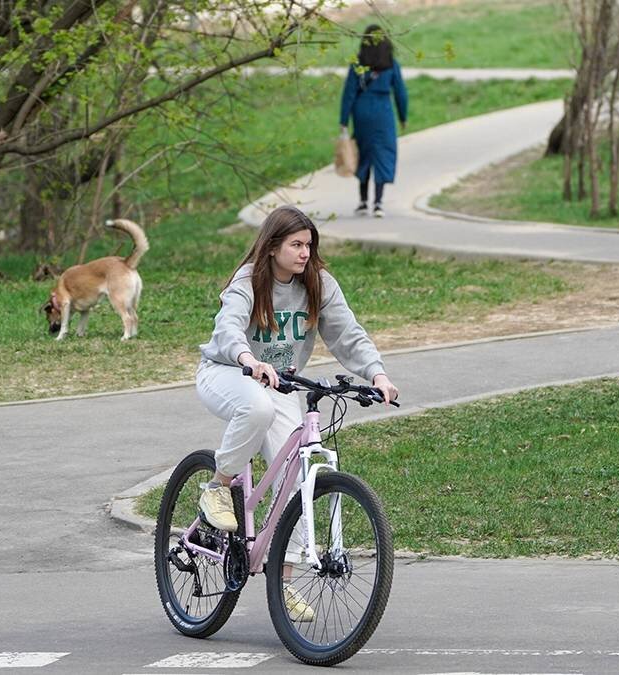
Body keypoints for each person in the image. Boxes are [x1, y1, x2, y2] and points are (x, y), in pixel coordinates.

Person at [194, 205, 399, 620]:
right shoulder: (249, 280)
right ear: (272, 247)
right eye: (296, 244)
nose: (305, 253)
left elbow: (347, 334)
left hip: (281, 382)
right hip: (227, 371)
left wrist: (377, 374)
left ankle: (281, 582)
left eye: (309, 245)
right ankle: (218, 487)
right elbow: (228, 327)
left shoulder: (319, 284)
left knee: (301, 478)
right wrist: (249, 359)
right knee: (255, 408)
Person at [340, 24, 408, 218]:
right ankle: (378, 203)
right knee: (382, 153)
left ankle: (362, 202)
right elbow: (401, 93)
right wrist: (403, 116)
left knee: (364, 153)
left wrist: (344, 119)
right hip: (383, 113)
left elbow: (349, 93)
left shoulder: (357, 64)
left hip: (361, 113)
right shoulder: (391, 64)